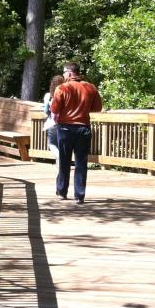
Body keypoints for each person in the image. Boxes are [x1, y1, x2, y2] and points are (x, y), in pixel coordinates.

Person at [50, 61, 103, 203]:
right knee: (81, 162)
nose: (63, 75)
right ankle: (79, 195)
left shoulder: (61, 88)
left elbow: (54, 110)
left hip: (66, 128)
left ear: (69, 73)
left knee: (64, 161)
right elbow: (98, 108)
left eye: (64, 73)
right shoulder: (91, 87)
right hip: (83, 128)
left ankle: (62, 191)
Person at [43, 74, 65, 165]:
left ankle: (59, 158)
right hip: (64, 123)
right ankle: (59, 163)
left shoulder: (49, 95)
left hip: (52, 122)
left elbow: (46, 110)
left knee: (52, 143)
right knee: (61, 144)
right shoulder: (65, 93)